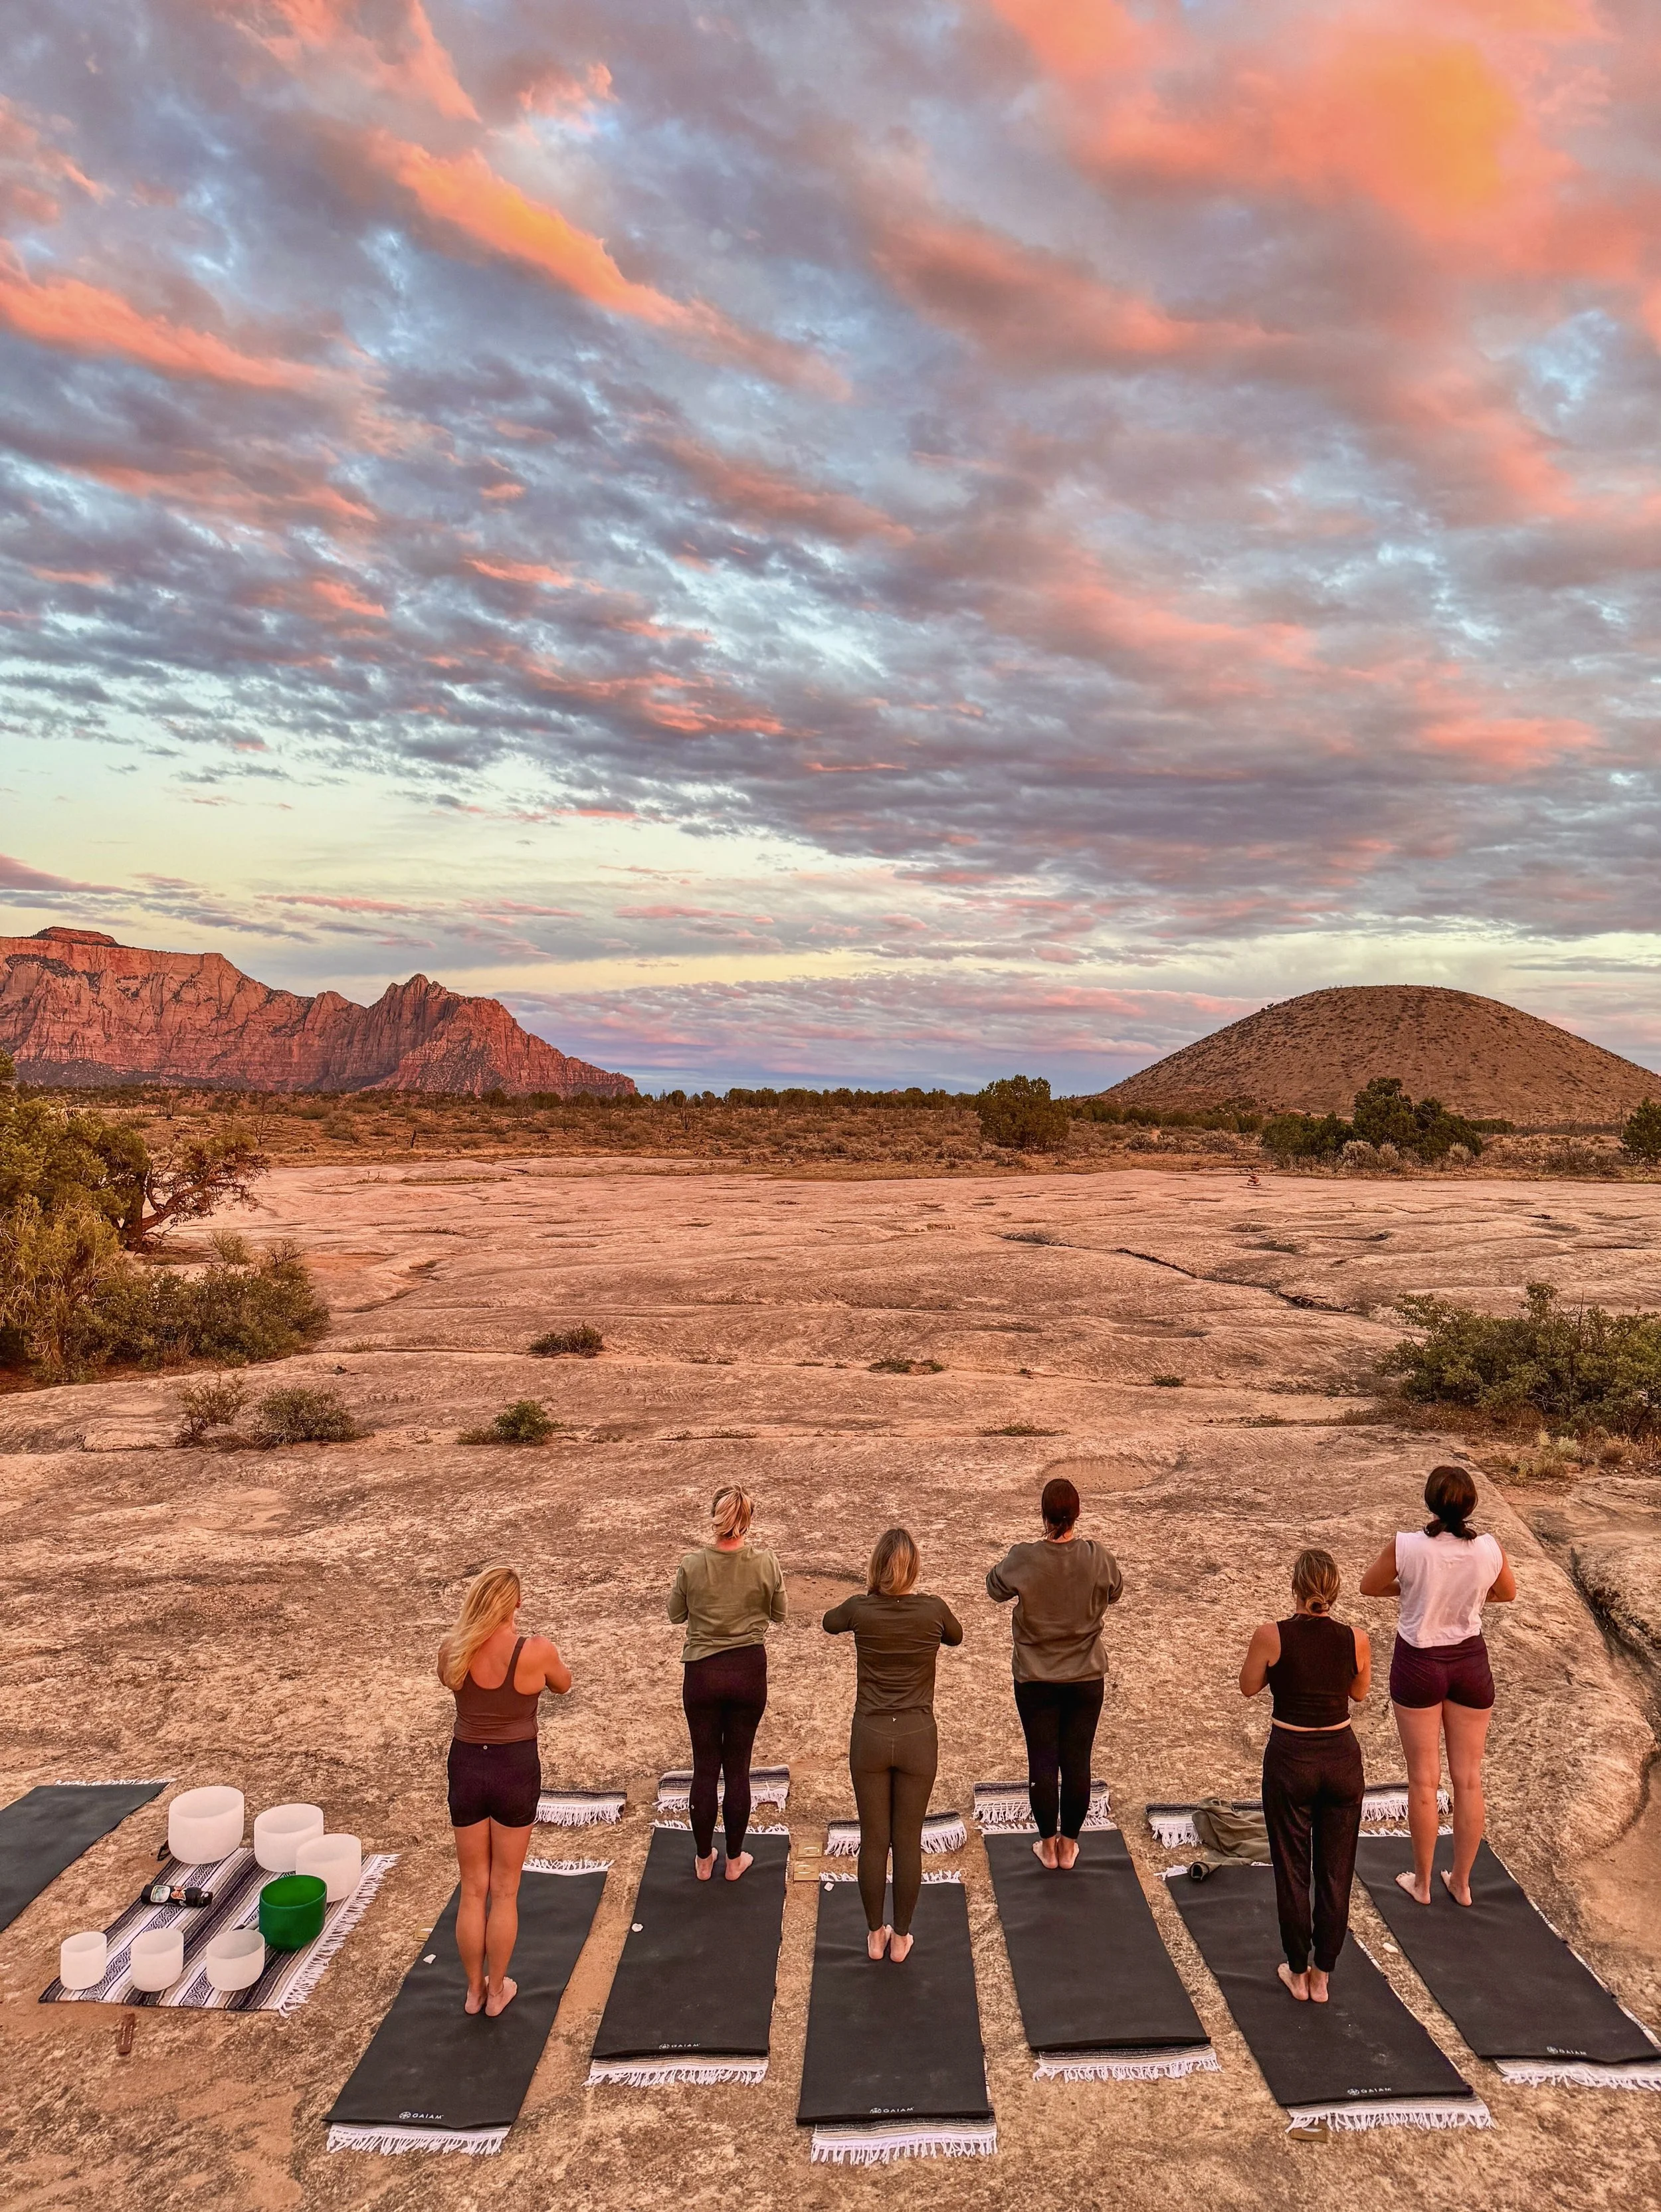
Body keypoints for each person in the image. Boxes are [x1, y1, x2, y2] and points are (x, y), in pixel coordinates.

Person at [1359, 1464, 1515, 1908]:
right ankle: (1462, 1883)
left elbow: (1369, 1587)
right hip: (1469, 1662)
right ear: (1470, 1506)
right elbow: (1507, 1593)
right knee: (1468, 1779)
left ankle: (1424, 1883)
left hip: (1419, 1663)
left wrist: (1414, 1592)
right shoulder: (1487, 1549)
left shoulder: (1407, 1546)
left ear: (1430, 1501)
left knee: (1423, 1780)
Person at [438, 1565, 572, 2017]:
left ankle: (473, 1992)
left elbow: (452, 1680)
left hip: (467, 1766)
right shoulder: (536, 1651)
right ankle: (498, 1992)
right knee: (506, 1889)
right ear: (516, 1604)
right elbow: (563, 1684)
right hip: (515, 1768)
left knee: (473, 1888)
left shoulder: (453, 1650)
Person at [823, 1528, 963, 1962]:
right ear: (914, 1568)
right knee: (907, 1840)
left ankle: (874, 1933)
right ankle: (901, 1937)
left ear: (876, 1567)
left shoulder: (861, 1610)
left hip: (869, 1736)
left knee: (874, 1839)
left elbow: (831, 1622)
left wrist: (867, 1598)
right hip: (918, 1738)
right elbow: (955, 1636)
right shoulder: (933, 1610)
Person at [1239, 1548, 1372, 2003]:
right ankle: (1323, 1975)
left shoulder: (1270, 1636)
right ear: (1334, 1591)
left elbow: (1248, 1686)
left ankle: (1296, 1971)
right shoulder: (1356, 1638)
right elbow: (1358, 1692)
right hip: (1341, 1759)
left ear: (1295, 1587)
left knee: (1293, 1868)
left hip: (1291, 1759)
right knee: (1336, 1871)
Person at [986, 1476, 1123, 1869]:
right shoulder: (1098, 1556)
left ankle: (1047, 1846)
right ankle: (1070, 1846)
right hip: (1086, 1678)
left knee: (1042, 1760)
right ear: (1077, 1514)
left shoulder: (1024, 1556)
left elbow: (994, 1588)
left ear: (1043, 1515)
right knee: (1078, 1761)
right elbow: (1116, 1590)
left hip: (1035, 1678)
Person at [666, 1485, 785, 1882]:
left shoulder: (691, 1564)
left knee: (705, 1768)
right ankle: (735, 1859)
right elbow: (780, 1614)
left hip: (701, 1673)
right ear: (747, 1520)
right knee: (738, 1768)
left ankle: (704, 1859)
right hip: (748, 1671)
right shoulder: (766, 1562)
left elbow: (675, 1615)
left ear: (714, 1517)